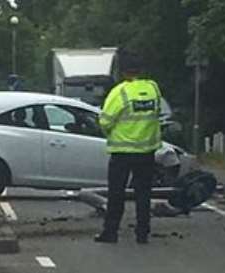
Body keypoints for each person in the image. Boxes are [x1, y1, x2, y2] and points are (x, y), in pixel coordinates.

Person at [94, 52, 162, 244]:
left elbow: (105, 121)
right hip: (147, 151)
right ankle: (142, 233)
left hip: (122, 152)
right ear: (140, 70)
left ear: (123, 72)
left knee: (116, 194)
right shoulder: (153, 88)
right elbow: (156, 114)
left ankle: (111, 232)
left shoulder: (120, 92)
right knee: (143, 194)